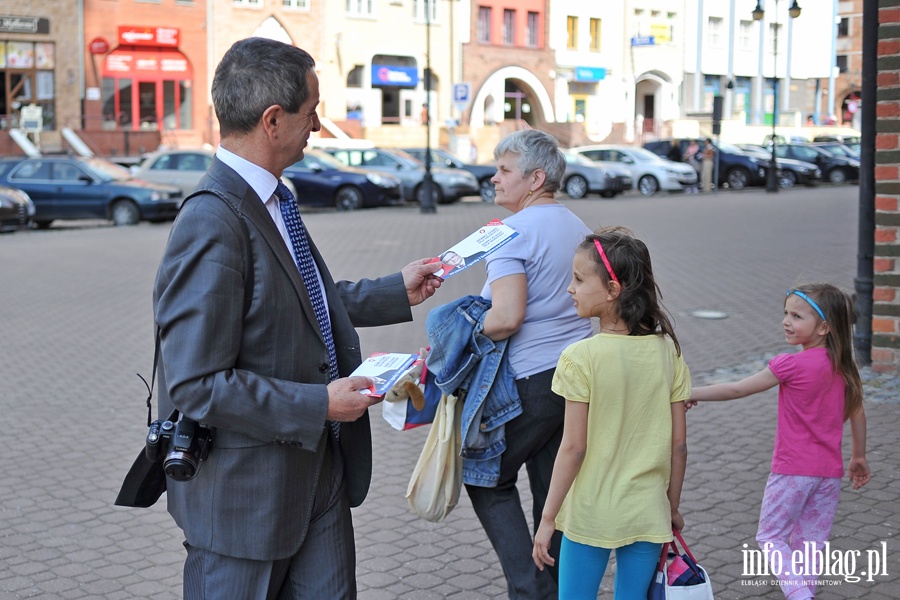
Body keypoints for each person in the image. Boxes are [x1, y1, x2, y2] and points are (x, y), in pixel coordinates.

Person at [152, 37, 444, 600]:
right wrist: (319, 404)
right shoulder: (212, 221)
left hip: (319, 473)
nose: (318, 124)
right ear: (272, 120)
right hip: (249, 502)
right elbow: (194, 384)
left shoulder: (273, 198)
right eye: (311, 112)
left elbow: (298, 300)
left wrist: (393, 292)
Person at [464, 129, 594, 599]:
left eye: (504, 170)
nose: (494, 178)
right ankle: (562, 589)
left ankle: (529, 587)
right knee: (551, 492)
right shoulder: (579, 227)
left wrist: (458, 338)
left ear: (536, 177)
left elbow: (507, 317)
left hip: (529, 383)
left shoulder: (510, 234)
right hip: (577, 378)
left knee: (486, 476)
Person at [532, 226, 690, 599]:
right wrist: (671, 506)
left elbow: (573, 448)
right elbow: (679, 445)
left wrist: (548, 518)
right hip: (648, 509)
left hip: (591, 511)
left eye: (578, 279)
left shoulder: (580, 357)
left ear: (613, 290)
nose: (569, 288)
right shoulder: (668, 351)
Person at [689, 283, 870, 600]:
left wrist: (689, 392)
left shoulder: (790, 364)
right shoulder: (844, 367)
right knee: (809, 544)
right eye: (785, 313)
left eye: (797, 316)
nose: (787, 321)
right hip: (828, 474)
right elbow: (857, 413)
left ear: (824, 327)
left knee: (770, 536)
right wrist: (859, 456)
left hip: (791, 471)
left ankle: (799, 593)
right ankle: (805, 593)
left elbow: (738, 389)